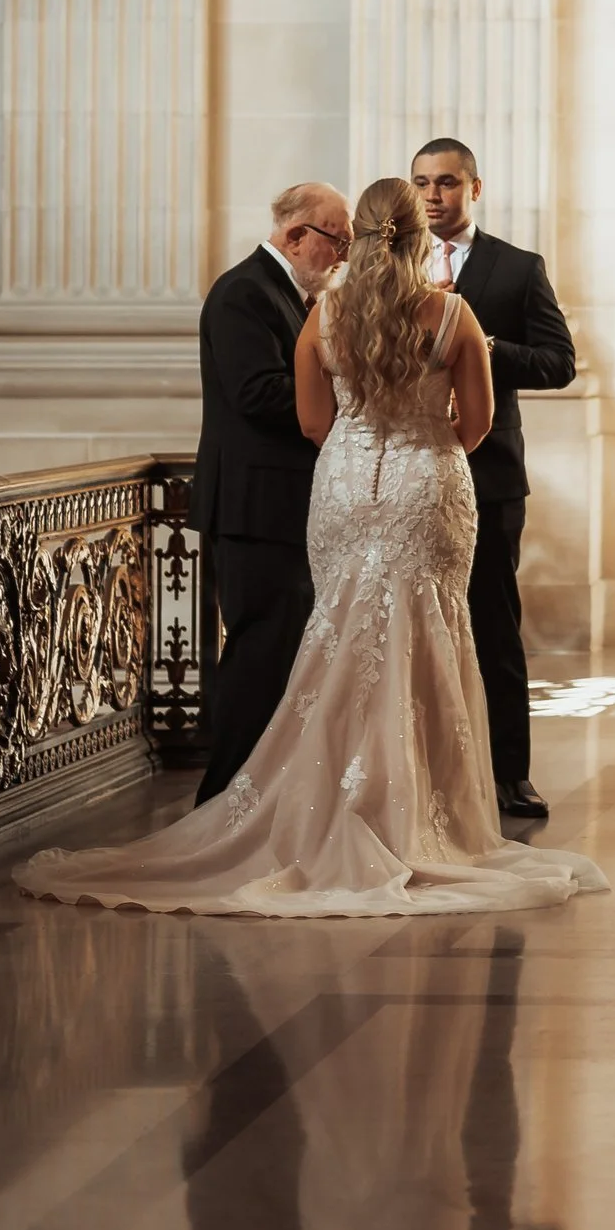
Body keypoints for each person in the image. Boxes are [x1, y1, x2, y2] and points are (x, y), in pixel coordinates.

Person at [18, 179, 607, 920]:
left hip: (345, 484)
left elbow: (310, 420)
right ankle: (424, 815)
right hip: (429, 486)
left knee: (340, 634)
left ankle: (325, 799)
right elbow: (479, 424)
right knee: (428, 636)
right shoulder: (452, 314)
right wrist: (426, 448)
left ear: (355, 238)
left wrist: (361, 450)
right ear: (420, 239)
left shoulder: (325, 314)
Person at [410, 138, 577, 823]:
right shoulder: (394, 268)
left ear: (474, 188)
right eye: (421, 183)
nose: (432, 196)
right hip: (410, 473)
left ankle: (511, 774)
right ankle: (416, 772)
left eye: (446, 183)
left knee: (494, 625)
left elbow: (558, 362)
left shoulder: (517, 267)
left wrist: (485, 349)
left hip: (490, 476)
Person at [189, 179, 351, 804]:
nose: (340, 257)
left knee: (282, 653)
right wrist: (351, 399)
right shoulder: (243, 294)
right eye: (336, 242)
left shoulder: (287, 294)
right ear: (295, 235)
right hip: (254, 508)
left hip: (283, 506)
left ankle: (258, 798)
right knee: (259, 654)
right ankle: (222, 799)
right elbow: (256, 393)